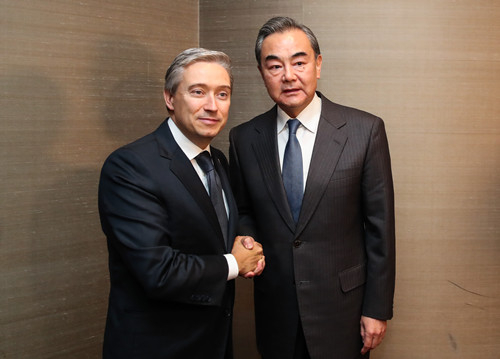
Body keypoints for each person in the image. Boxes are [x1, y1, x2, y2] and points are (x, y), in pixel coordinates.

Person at [229, 17, 395, 359]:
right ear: (262, 73)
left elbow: (381, 229)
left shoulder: (364, 131)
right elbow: (244, 209)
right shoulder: (244, 138)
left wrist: (377, 308)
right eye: (274, 66)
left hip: (343, 310)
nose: (288, 75)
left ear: (318, 64)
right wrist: (246, 240)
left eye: (299, 62)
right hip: (275, 308)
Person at [99, 48, 264, 359]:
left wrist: (247, 246)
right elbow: (158, 271)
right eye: (198, 92)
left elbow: (212, 234)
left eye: (223, 94)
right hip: (158, 348)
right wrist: (234, 263)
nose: (212, 106)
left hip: (213, 343)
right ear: (170, 98)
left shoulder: (216, 160)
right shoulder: (131, 166)